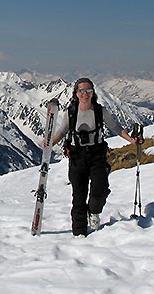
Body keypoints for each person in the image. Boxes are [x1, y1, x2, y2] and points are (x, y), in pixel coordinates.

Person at [47, 78, 139, 237]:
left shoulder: (99, 111)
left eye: (88, 90)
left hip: (97, 154)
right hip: (77, 156)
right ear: (76, 93)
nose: (85, 94)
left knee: (100, 189)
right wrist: (49, 143)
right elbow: (62, 132)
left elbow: (116, 128)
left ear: (93, 93)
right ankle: (79, 232)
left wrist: (131, 140)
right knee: (79, 195)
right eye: (81, 91)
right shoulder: (71, 112)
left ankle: (94, 212)